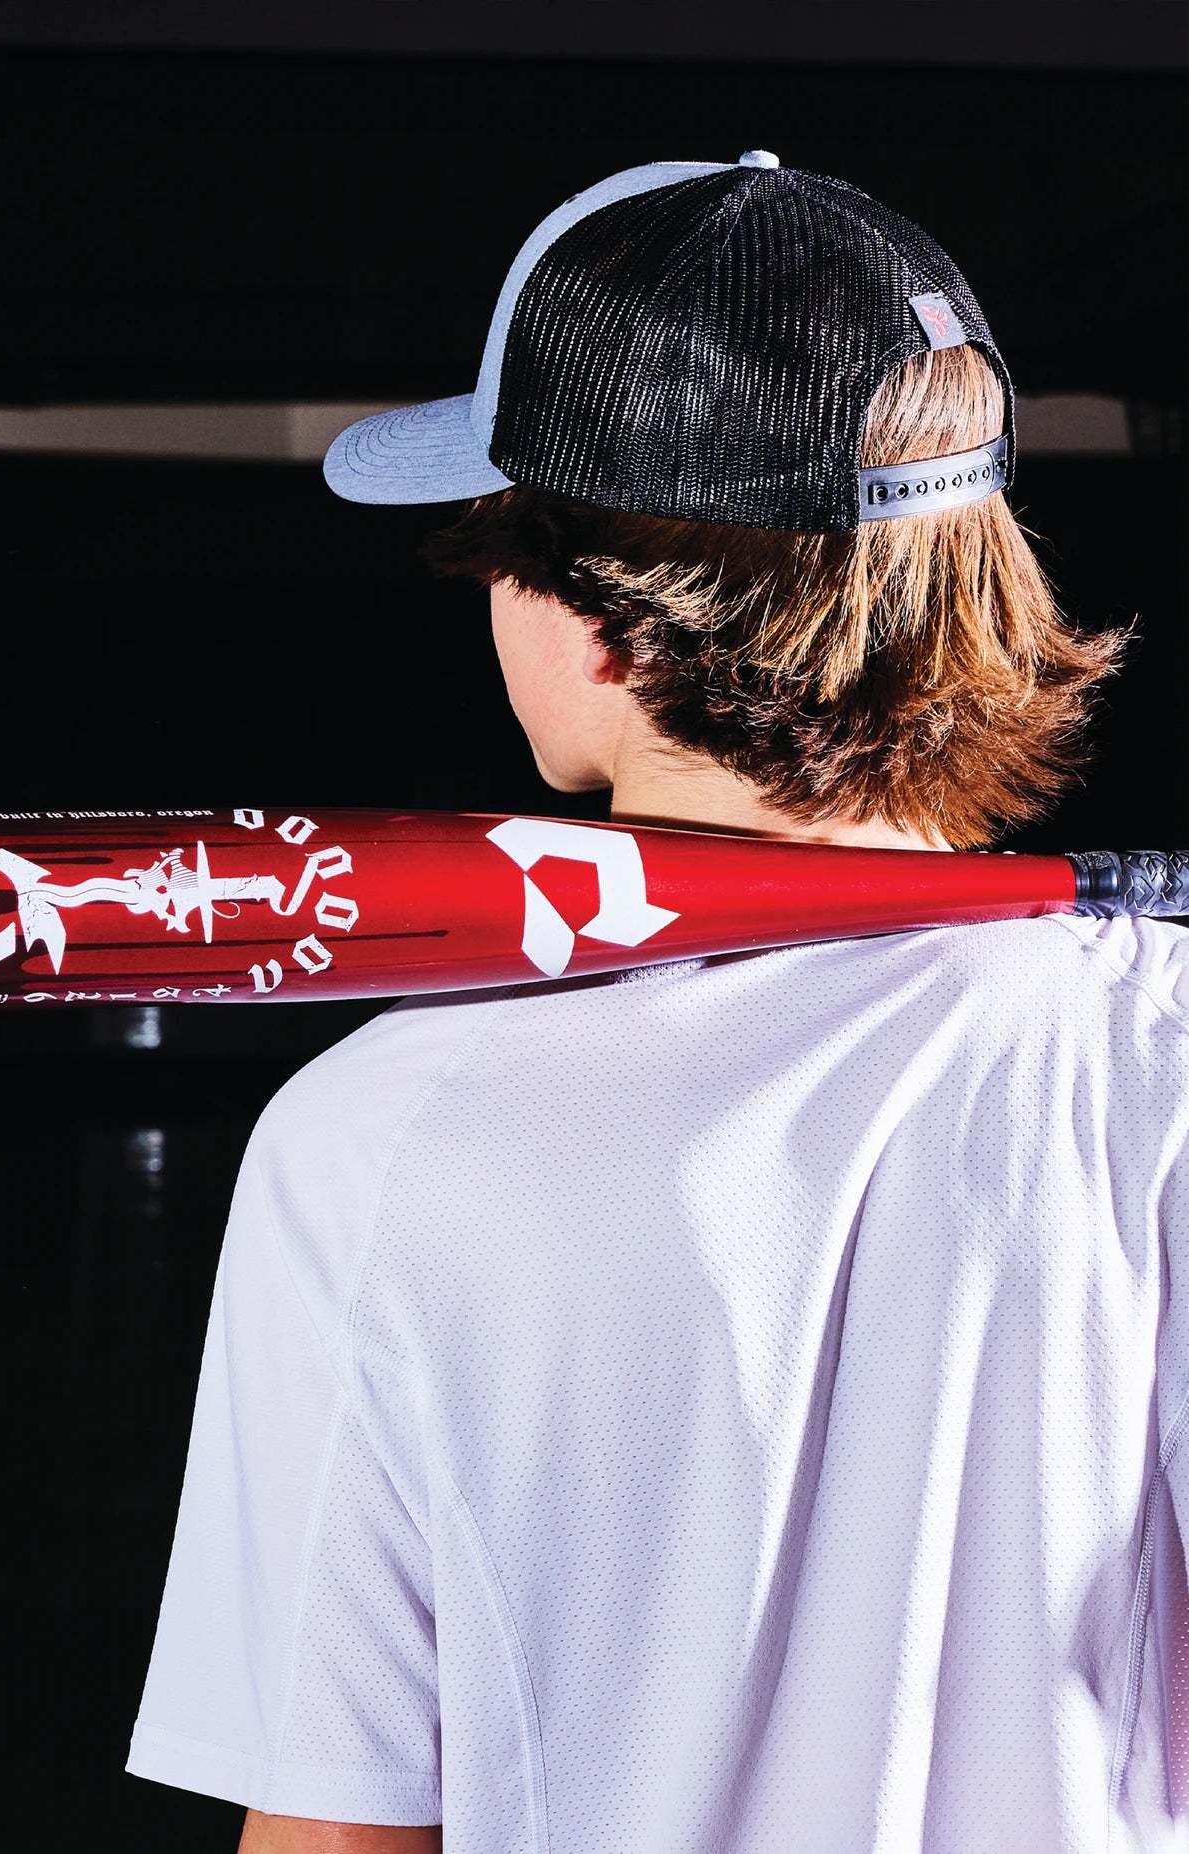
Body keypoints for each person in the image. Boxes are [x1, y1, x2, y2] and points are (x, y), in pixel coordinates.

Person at [126, 153, 1189, 1852]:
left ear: (603, 625)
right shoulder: (1164, 1057)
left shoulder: (376, 1141)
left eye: (489, 548)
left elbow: (333, 1834)